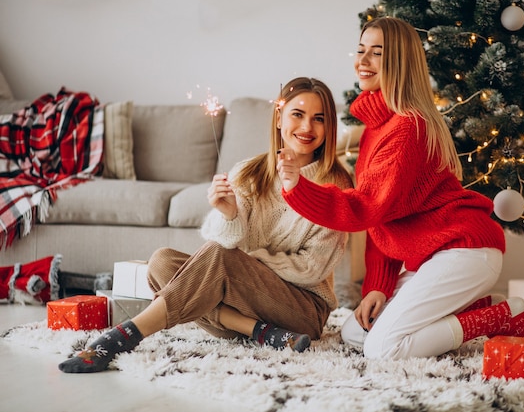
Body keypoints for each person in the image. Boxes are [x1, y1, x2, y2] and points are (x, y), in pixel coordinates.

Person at [277, 17, 524, 360]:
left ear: (398, 61)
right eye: (360, 50)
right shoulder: (377, 127)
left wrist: (297, 187)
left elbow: (366, 207)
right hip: (429, 258)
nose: (362, 61)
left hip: (464, 250)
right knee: (355, 332)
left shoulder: (408, 127)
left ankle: (497, 318)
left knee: (383, 349)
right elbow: (384, 221)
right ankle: (479, 307)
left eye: (377, 53)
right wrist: (378, 288)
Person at [59, 77, 353, 373]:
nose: (306, 128)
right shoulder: (250, 172)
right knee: (161, 263)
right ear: (279, 118)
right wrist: (229, 215)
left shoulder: (336, 186)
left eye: (319, 119)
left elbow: (311, 269)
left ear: (329, 127)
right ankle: (259, 332)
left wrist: (244, 264)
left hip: (302, 310)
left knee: (219, 260)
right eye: (297, 115)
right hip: (248, 302)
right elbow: (220, 242)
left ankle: (122, 336)